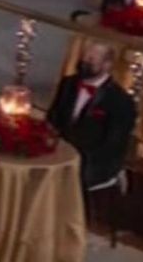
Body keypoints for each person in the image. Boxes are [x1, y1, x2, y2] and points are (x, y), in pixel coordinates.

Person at [48, 40, 138, 191]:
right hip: (63, 151)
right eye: (84, 57)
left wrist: (76, 158)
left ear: (107, 65)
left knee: (64, 181)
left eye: (91, 60)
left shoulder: (120, 101)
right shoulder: (68, 84)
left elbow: (113, 145)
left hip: (94, 159)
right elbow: (53, 118)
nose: (84, 63)